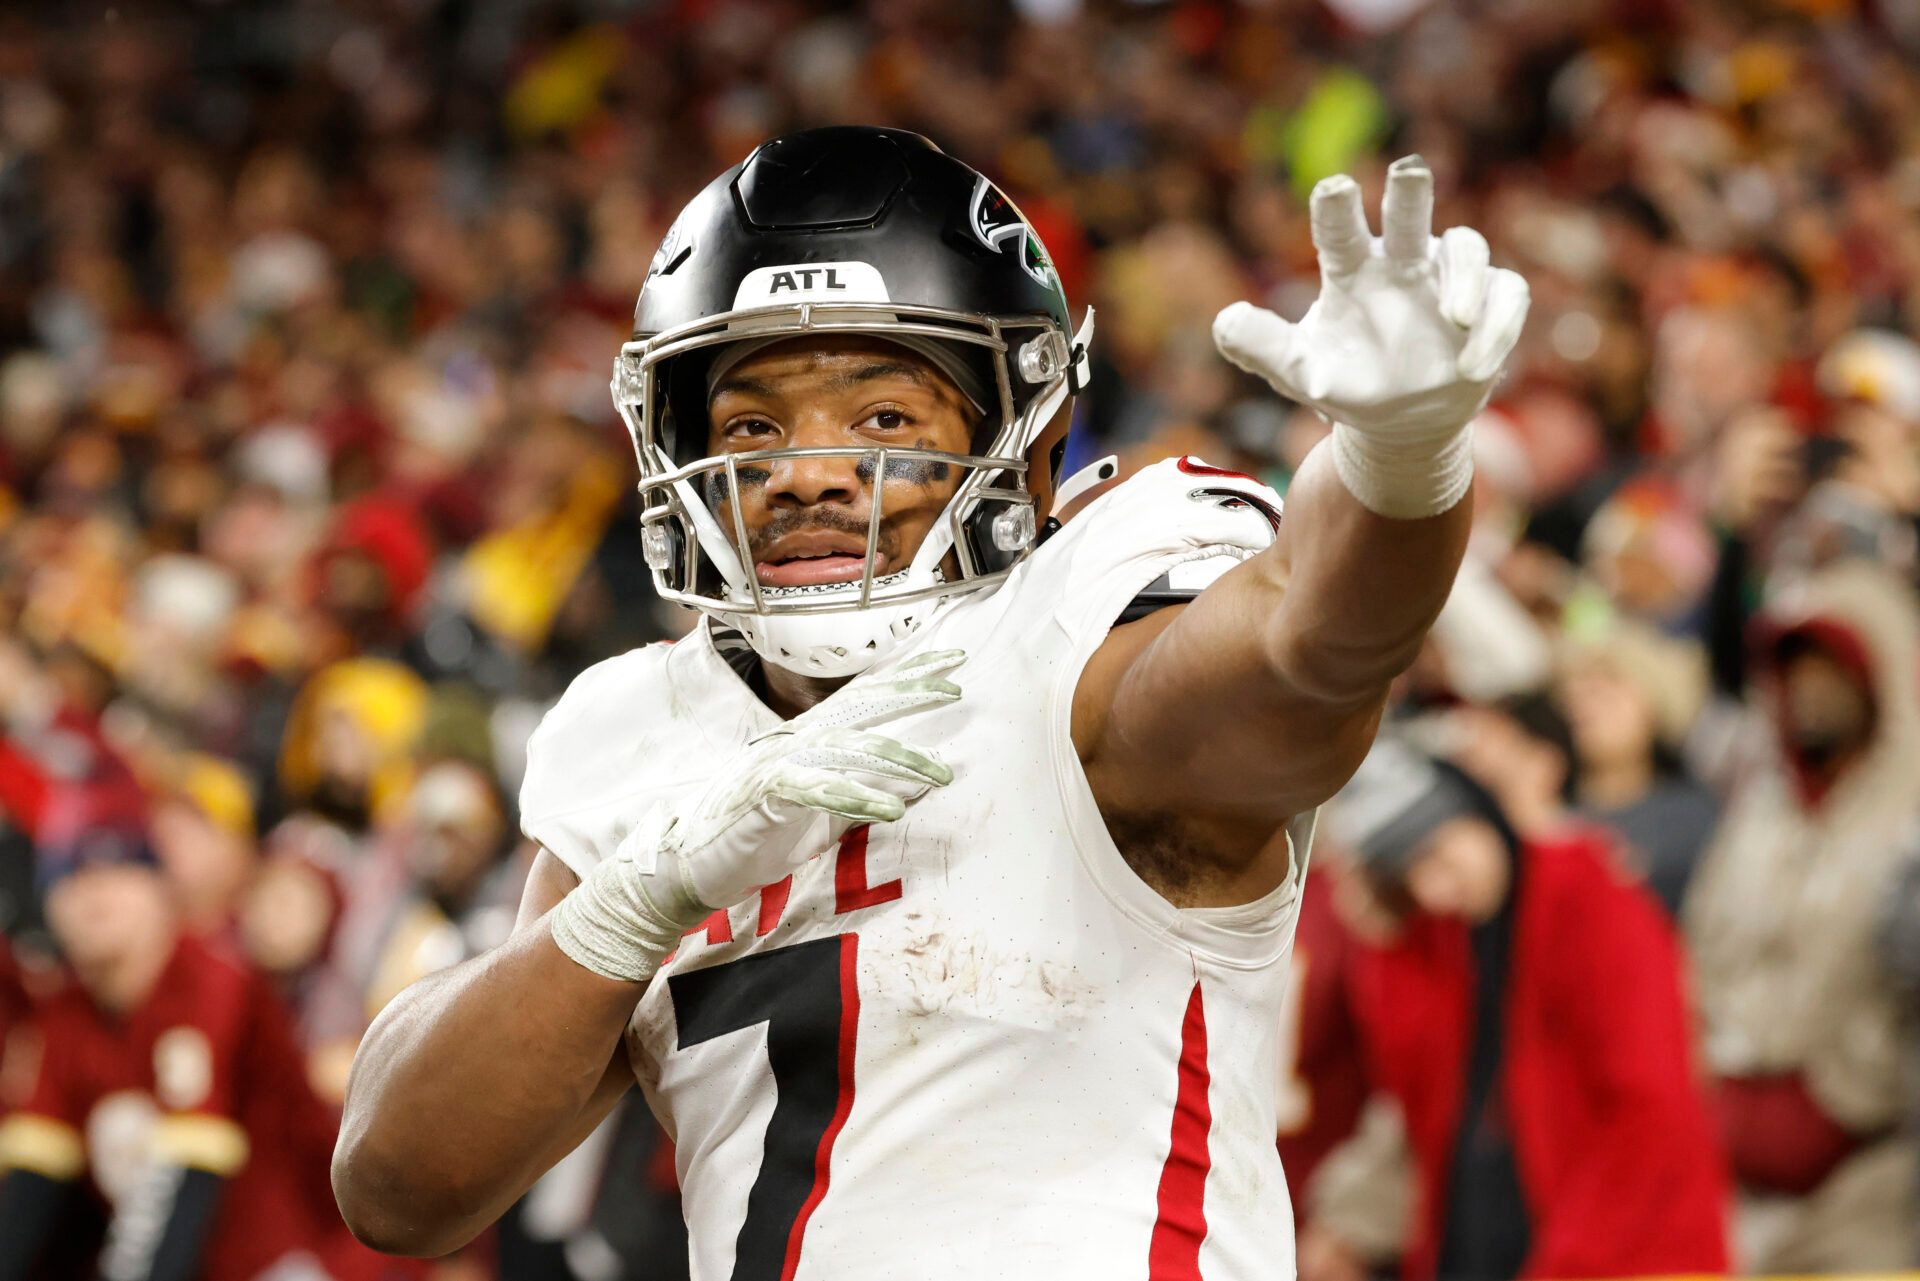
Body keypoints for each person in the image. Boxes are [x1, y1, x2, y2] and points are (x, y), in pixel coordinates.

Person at [331, 127, 1530, 1278]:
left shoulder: (1087, 615)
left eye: (885, 416)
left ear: (1021, 432)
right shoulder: (640, 727)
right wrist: (631, 906)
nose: (802, 471)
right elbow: (399, 1187)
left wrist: (1397, 470)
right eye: (750, 424)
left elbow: (1305, 653)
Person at [1324, 739, 1728, 1281]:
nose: (1436, 890)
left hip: (1615, 1255)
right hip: (1494, 1247)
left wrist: (1571, 1262)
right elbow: (1413, 1080)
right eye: (1411, 879)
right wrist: (1386, 937)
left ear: (1476, 811)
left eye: (1437, 854)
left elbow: (1650, 1104)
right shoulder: (1447, 936)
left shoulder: (1588, 899)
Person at [1684, 558, 1920, 1272]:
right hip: (1730, 1190)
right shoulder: (1759, 816)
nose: (1810, 693)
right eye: (1796, 671)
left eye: (1831, 669)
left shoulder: (1909, 819)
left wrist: (1852, 1088)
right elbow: (1698, 958)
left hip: (1868, 1191)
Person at [0, 818, 356, 1281]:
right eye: (69, 873)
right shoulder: (67, 1013)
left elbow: (183, 1175)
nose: (93, 892)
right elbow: (32, 1180)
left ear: (160, 887)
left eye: (118, 868)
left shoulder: (209, 980)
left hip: (297, 1258)